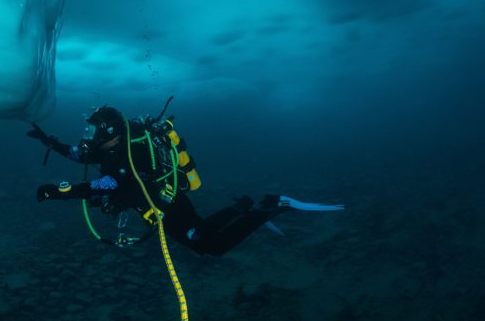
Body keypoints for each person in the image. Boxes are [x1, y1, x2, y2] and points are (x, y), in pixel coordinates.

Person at [27, 103, 343, 256]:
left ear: (109, 133)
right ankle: (245, 207)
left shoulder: (127, 156)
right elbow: (82, 156)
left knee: (209, 246)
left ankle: (272, 207)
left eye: (92, 132)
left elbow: (107, 185)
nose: (87, 138)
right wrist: (50, 143)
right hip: (165, 202)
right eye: (87, 132)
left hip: (168, 206)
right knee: (201, 229)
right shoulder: (111, 149)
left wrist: (60, 192)